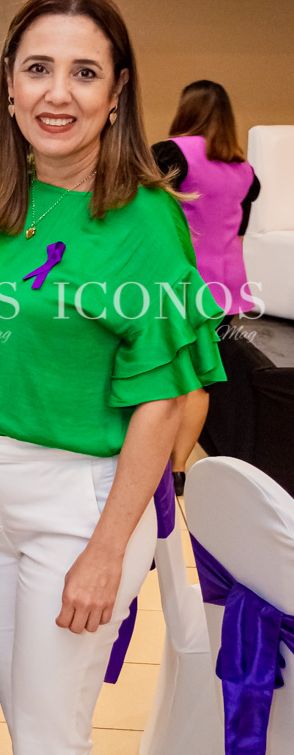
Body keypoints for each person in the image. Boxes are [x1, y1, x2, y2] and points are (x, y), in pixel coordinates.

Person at [0, 0, 225, 755]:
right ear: (6, 83)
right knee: (30, 720)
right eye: (37, 68)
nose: (57, 94)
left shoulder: (145, 217)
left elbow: (166, 402)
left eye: (84, 73)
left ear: (118, 90)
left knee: (48, 737)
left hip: (82, 503)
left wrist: (107, 550)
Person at [153, 79, 260, 495]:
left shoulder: (172, 154)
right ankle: (179, 467)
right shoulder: (245, 171)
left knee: (167, 372)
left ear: (186, 110)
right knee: (200, 377)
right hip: (227, 285)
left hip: (181, 281)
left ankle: (157, 459)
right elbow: (241, 227)